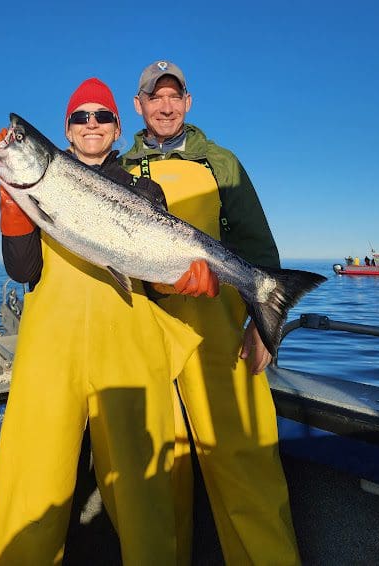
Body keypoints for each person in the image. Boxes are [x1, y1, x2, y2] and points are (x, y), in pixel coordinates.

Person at [0, 77, 218, 566]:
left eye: (103, 116)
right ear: (66, 130)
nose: (91, 124)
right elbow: (23, 270)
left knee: (144, 492)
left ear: (117, 129)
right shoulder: (37, 184)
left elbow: (151, 277)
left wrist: (180, 280)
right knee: (30, 486)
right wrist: (13, 205)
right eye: (80, 117)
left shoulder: (143, 189)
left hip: (128, 354)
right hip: (51, 355)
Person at [121, 60, 300, 565]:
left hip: (217, 334)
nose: (165, 106)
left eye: (174, 96)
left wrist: (264, 328)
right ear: (138, 105)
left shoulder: (221, 163)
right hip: (145, 333)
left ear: (188, 102)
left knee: (246, 466)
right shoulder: (119, 166)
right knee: (158, 476)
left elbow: (258, 248)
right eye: (155, 97)